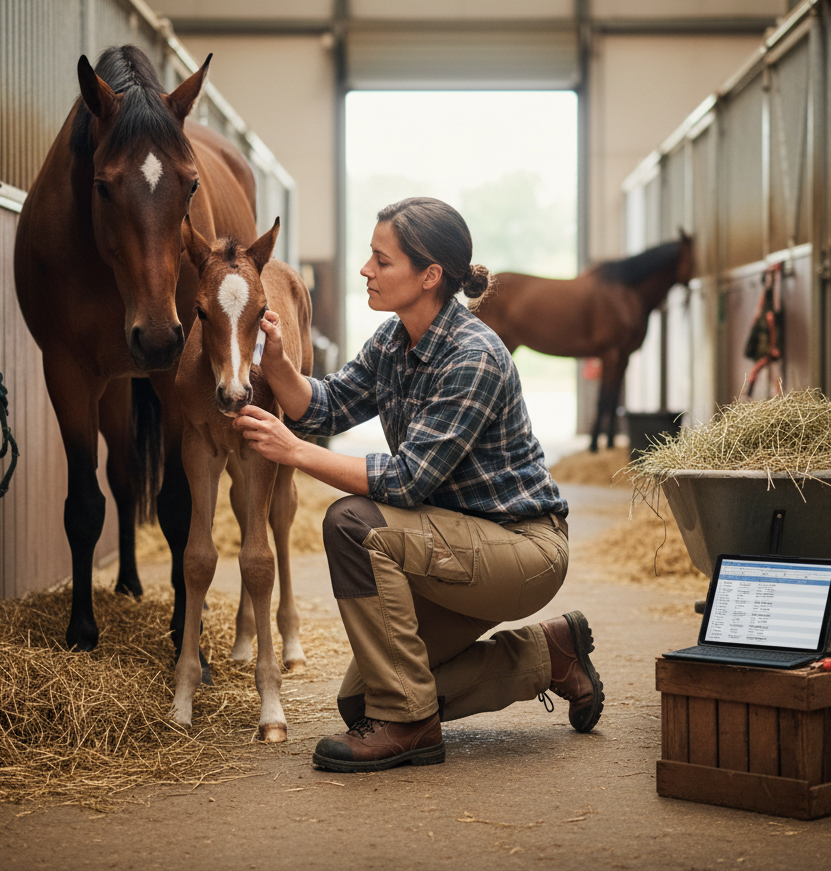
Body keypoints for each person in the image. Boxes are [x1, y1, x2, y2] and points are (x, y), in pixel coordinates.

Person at [233, 197, 603, 773]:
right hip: (450, 544)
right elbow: (327, 406)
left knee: (354, 523)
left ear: (430, 276)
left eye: (381, 260)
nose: (365, 270)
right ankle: (549, 656)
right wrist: (277, 365)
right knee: (360, 701)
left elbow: (406, 482)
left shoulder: (473, 356)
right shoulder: (392, 342)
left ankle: (410, 725)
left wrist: (294, 452)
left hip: (521, 548)